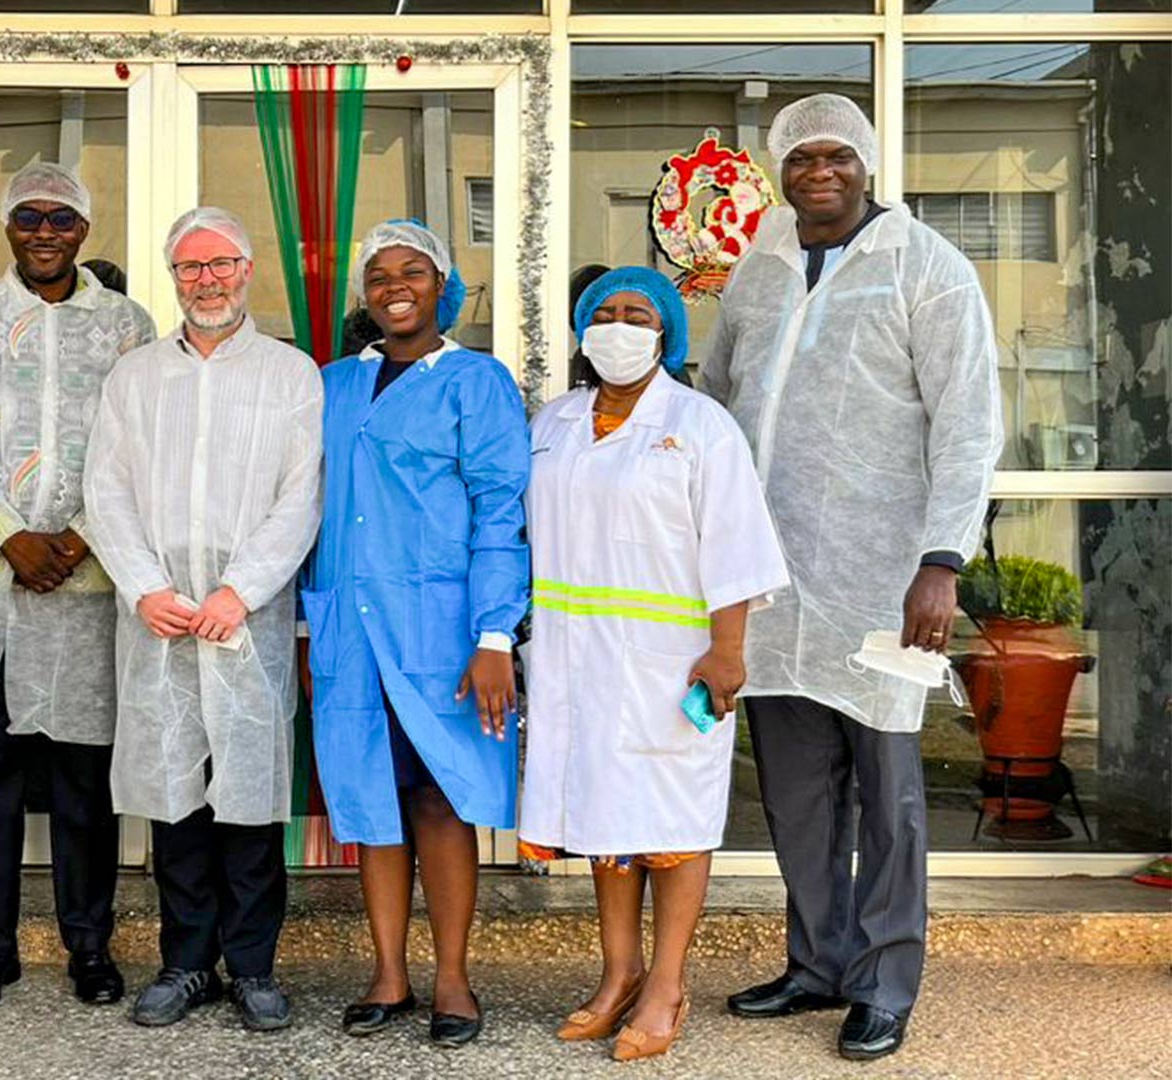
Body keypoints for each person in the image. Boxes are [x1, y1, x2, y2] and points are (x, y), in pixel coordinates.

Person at [702, 93, 1002, 1062]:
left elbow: (967, 426)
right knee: (796, 795)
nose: (818, 172)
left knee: (890, 798)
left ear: (867, 163)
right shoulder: (757, 271)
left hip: (883, 581)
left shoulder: (928, 269)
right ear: (780, 171)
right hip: (770, 586)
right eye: (801, 159)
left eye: (837, 156)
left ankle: (885, 980)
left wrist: (941, 560)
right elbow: (716, 404)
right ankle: (818, 964)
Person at [519, 265, 790, 1062]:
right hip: (575, 658)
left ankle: (667, 984)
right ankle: (618, 974)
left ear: (666, 332)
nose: (619, 325)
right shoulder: (554, 422)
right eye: (603, 313)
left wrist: (729, 650)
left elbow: (736, 543)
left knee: (671, 822)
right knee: (606, 819)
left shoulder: (701, 425)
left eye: (638, 313)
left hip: (671, 664)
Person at [84, 207, 323, 1033]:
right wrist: (147, 587)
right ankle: (187, 963)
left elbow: (303, 496)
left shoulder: (291, 375)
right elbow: (104, 488)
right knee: (174, 797)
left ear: (248, 269)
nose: (206, 281)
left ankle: (254, 967)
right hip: (160, 621)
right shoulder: (137, 376)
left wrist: (241, 591)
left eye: (220, 264)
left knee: (251, 801)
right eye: (190, 268)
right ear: (172, 277)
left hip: (242, 623)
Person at [0, 162, 157, 1011]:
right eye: (30, 217)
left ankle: (88, 948)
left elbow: (141, 444)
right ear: (8, 226)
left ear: (86, 230)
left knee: (80, 779)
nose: (46, 231)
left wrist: (79, 535)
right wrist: (10, 536)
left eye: (63, 218)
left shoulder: (126, 326)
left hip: (89, 587)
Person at [303, 220, 528, 1048]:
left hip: (443, 628)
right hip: (350, 627)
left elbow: (501, 508)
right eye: (380, 275)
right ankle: (388, 973)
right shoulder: (331, 385)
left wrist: (496, 633)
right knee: (373, 800)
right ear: (365, 294)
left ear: (443, 287)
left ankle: (455, 979)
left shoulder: (476, 382)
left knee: (439, 799)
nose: (395, 286)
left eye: (414, 272)